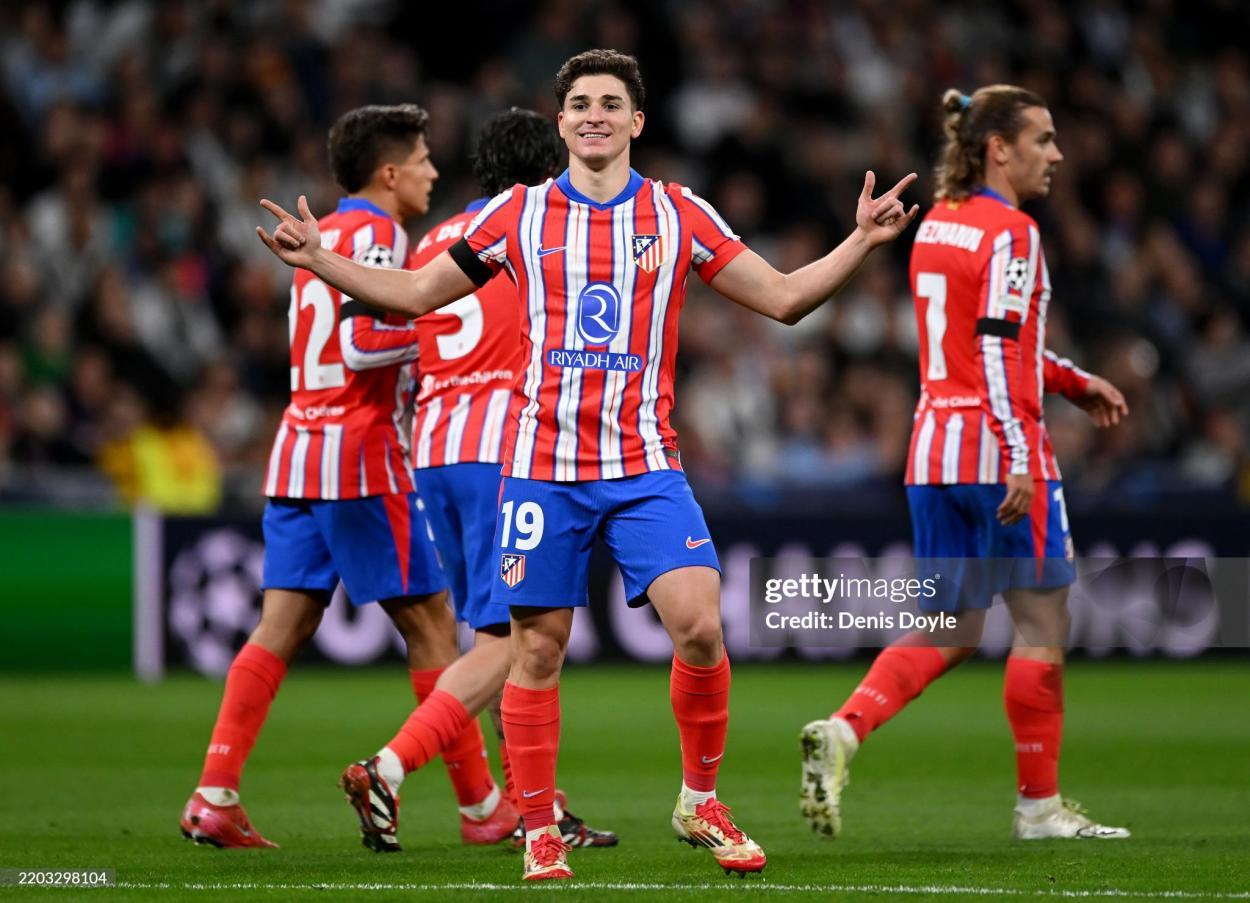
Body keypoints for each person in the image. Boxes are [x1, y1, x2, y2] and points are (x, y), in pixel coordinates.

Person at [257, 49, 917, 881]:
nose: (595, 114)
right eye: (579, 104)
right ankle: (537, 826)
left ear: (637, 121)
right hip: (542, 468)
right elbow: (419, 294)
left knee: (703, 626)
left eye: (611, 102)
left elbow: (784, 297)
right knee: (536, 651)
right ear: (562, 121)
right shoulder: (518, 216)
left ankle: (699, 799)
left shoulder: (679, 213)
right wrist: (321, 261)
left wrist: (859, 240)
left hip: (646, 465)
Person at [798, 85, 1132, 842]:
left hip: (933, 447)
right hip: (998, 449)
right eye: (1043, 139)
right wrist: (1020, 454)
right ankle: (1039, 808)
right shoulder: (1014, 231)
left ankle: (844, 731)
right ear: (998, 148)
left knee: (950, 625)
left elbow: (978, 340)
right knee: (1043, 623)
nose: (1057, 154)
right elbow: (993, 347)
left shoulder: (939, 226)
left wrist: (1072, 380)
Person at [181, 104, 510, 849]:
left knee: (282, 625)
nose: (432, 171)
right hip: (358, 452)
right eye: (423, 159)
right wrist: (445, 337)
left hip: (297, 446)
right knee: (432, 625)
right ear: (390, 172)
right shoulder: (383, 235)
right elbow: (364, 344)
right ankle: (483, 806)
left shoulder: (328, 232)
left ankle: (215, 791)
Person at [405, 107, 617, 850]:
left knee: (493, 632)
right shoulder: (531, 230)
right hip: (505, 448)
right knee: (522, 637)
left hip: (432, 447)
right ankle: (402, 766)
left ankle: (527, 802)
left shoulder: (432, 240)